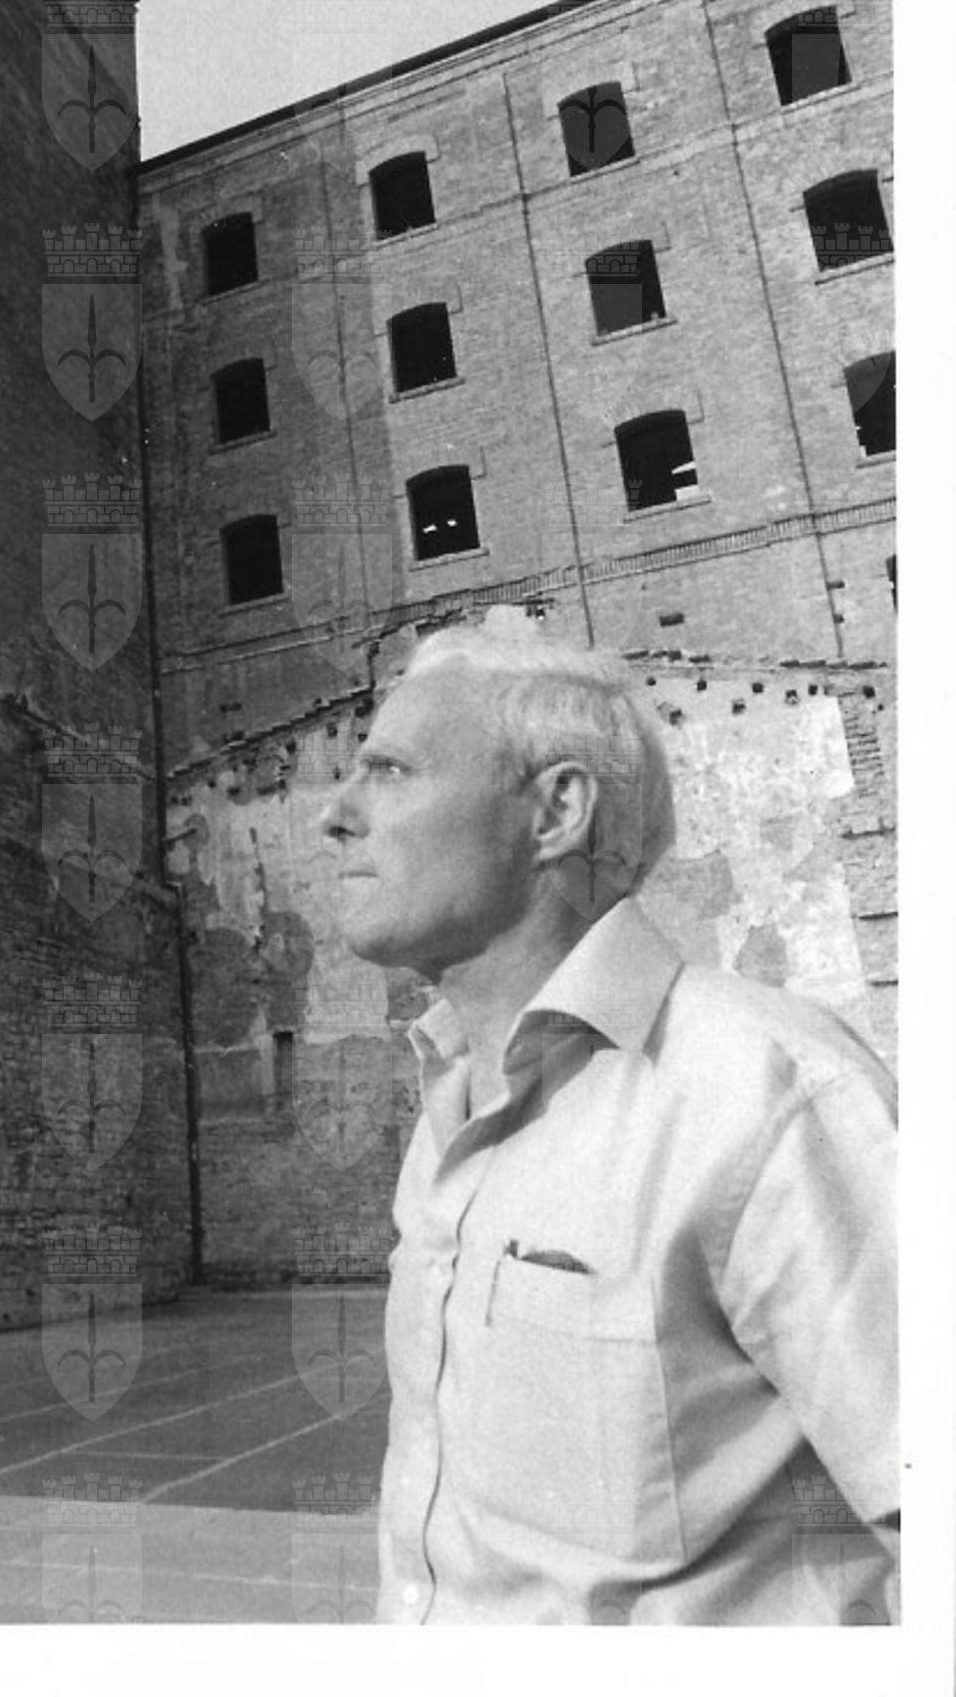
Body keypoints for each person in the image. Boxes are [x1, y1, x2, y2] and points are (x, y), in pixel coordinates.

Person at [320, 624, 898, 1624]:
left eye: (391, 770)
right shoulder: (447, 1105)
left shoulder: (768, 1096)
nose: (334, 813)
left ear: (555, 810)